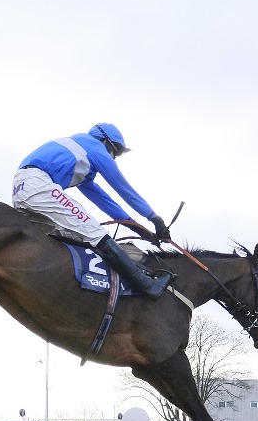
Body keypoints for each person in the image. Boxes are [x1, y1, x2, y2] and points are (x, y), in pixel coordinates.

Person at [12, 123, 175, 299]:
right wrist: (154, 219)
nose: (113, 159)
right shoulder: (95, 148)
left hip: (21, 190)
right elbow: (123, 189)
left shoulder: (83, 156)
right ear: (106, 141)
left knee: (75, 237)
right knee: (95, 232)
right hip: (38, 186)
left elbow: (104, 200)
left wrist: (139, 229)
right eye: (116, 152)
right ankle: (145, 284)